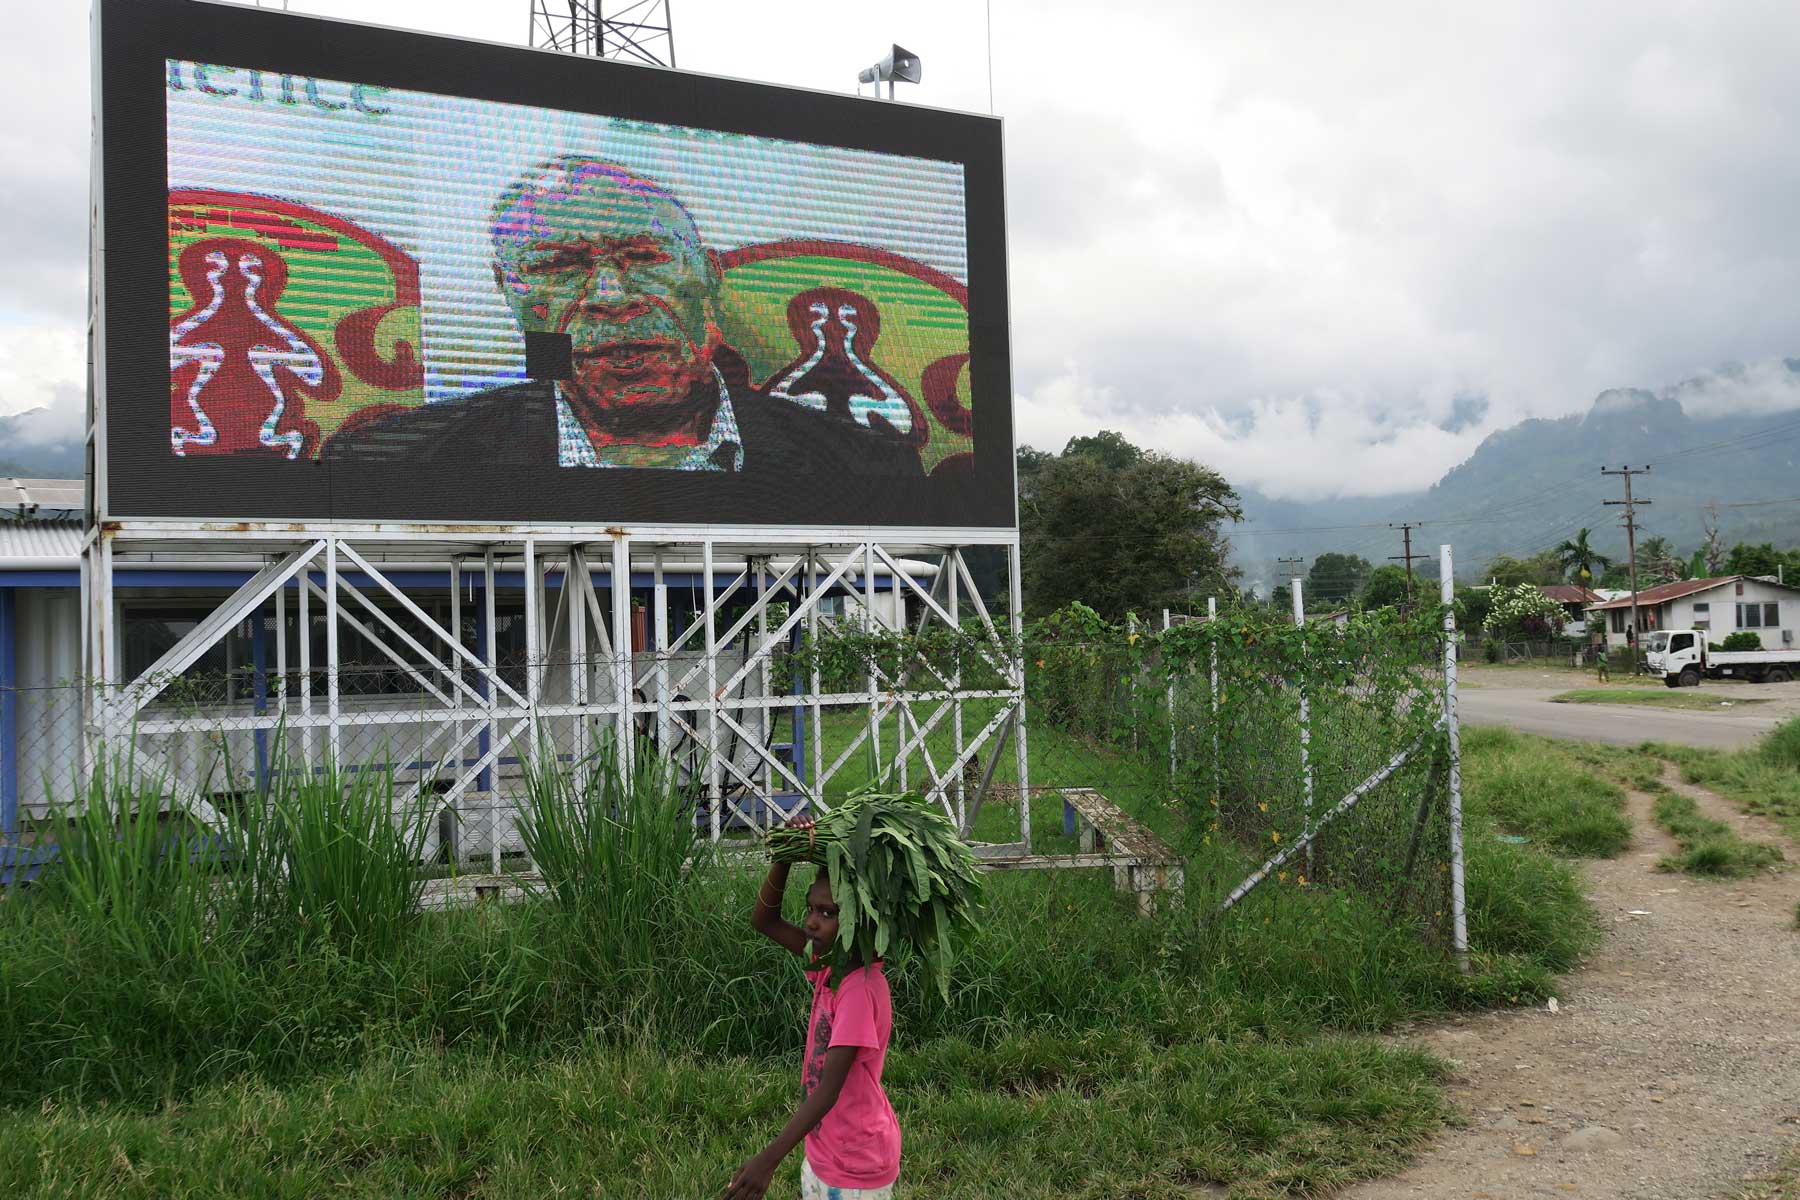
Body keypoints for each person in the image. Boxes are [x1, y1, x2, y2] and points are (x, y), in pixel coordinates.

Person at [326, 155, 921, 478]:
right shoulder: (392, 462)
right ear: (506, 289)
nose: (610, 296)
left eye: (645, 257)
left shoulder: (867, 467)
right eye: (559, 265)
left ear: (708, 275)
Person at [731, 822, 901, 1200]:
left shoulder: (859, 989)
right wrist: (785, 857)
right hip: (828, 1147)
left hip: (856, 1161)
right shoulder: (831, 963)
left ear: (860, 919)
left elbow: (827, 1090)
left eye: (827, 912)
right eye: (811, 907)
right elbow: (764, 921)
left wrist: (768, 1160)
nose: (810, 921)